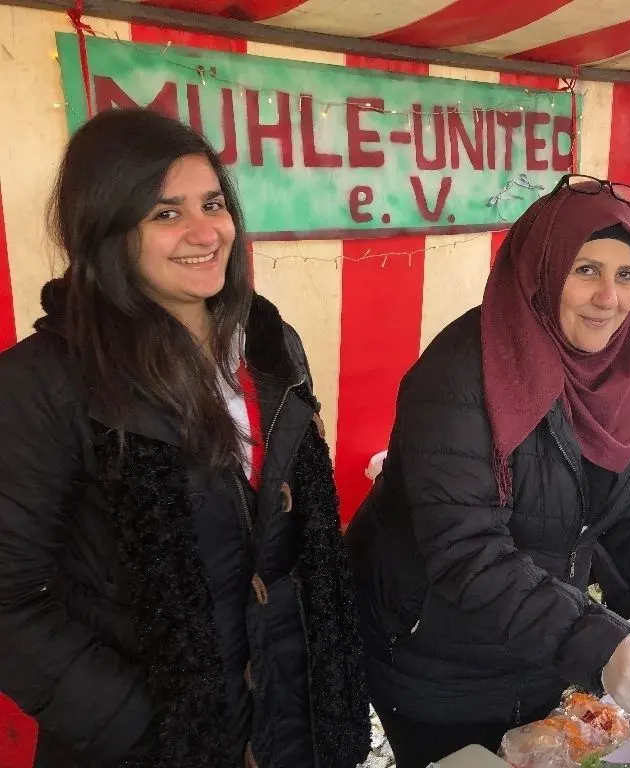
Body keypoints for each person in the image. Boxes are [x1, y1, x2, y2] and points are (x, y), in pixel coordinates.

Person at [346, 176, 630, 768]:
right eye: (586, 269)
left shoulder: (612, 378)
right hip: (438, 666)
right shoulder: (458, 378)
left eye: (626, 275)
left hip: (541, 648)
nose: (610, 298)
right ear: (540, 271)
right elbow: (467, 553)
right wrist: (600, 643)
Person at [0, 109, 369, 767]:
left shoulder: (270, 344)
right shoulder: (43, 382)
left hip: (289, 730)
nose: (206, 233)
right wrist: (149, 728)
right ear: (107, 230)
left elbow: (289, 554)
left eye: (213, 204)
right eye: (165, 214)